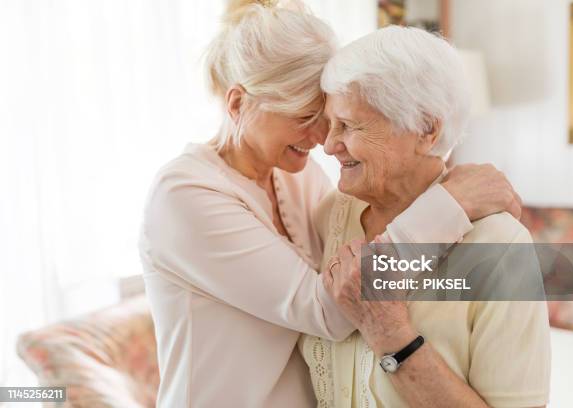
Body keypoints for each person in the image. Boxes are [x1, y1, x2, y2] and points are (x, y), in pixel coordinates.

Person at [139, 1, 523, 406]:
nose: (322, 138)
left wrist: (446, 186)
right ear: (238, 104)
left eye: (326, 115)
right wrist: (451, 203)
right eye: (304, 116)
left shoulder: (295, 174)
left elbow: (356, 242)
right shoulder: (183, 196)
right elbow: (334, 309)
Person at [302, 25, 551, 408]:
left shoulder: (499, 246)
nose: (330, 144)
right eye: (330, 124)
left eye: (349, 125)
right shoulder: (325, 216)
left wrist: (389, 333)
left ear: (425, 129)